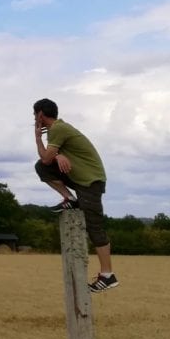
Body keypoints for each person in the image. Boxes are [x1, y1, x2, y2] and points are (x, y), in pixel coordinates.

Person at [33, 98, 119, 293]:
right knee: (41, 168)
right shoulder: (56, 131)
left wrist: (50, 152)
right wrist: (55, 154)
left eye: (34, 115)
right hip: (78, 177)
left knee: (94, 226)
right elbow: (46, 161)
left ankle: (108, 275)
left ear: (40, 114)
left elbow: (46, 157)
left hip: (89, 181)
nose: (34, 119)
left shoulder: (58, 129)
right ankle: (70, 199)